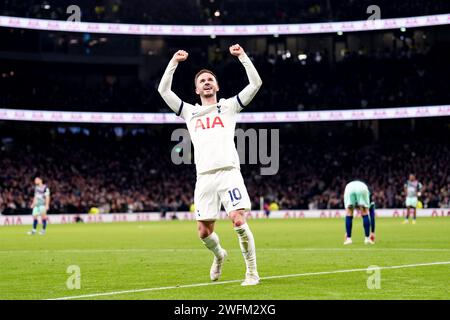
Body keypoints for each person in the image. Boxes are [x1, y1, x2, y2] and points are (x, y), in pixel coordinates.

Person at [158, 44, 262, 286]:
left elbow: (255, 84)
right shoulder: (189, 112)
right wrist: (174, 62)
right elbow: (163, 90)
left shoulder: (228, 106)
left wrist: (243, 57)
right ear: (196, 89)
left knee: (237, 219)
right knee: (204, 232)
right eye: (202, 80)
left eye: (210, 80)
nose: (206, 82)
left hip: (229, 173)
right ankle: (219, 255)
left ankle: (252, 273)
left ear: (217, 86)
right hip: (204, 177)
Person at [343, 180, 375, 245]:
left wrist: (347, 232)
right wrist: (372, 232)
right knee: (365, 212)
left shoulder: (356, 185)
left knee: (349, 213)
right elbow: (372, 215)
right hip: (361, 188)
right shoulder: (368, 193)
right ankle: (367, 239)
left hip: (349, 187)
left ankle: (348, 239)